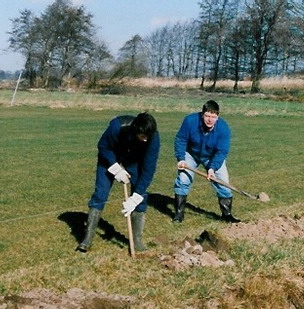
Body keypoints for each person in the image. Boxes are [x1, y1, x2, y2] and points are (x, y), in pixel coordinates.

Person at [77, 112, 160, 253]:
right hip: (110, 157)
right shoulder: (117, 126)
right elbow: (103, 146)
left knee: (140, 197)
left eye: (148, 137)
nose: (146, 140)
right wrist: (116, 169)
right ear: (136, 130)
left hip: (133, 160)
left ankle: (137, 241)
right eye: (143, 136)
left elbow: (148, 169)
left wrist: (136, 197)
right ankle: (87, 239)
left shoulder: (153, 138)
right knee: (100, 194)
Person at [172, 100, 240, 224]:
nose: (210, 120)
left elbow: (222, 151)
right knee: (183, 180)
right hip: (190, 154)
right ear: (202, 114)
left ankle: (227, 215)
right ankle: (179, 214)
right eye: (207, 116)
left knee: (223, 183)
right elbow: (181, 139)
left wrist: (212, 168)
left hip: (212, 156)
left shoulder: (223, 128)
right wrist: (181, 158)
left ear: (217, 117)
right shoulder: (190, 121)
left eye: (213, 117)